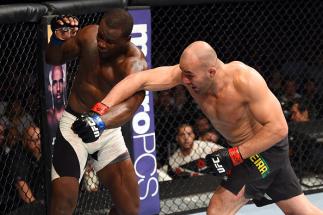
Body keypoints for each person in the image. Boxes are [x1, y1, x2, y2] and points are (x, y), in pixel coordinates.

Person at [85, 41, 323, 214]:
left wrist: (234, 155)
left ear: (211, 71)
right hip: (242, 151)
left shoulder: (245, 80)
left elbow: (279, 129)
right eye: (183, 74)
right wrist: (100, 111)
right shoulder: (190, 76)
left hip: (265, 150)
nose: (184, 81)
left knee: (218, 208)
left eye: (189, 76)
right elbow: (139, 80)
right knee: (299, 210)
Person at [46, 9, 147, 215]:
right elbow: (53, 58)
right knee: (62, 206)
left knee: (130, 209)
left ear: (126, 40)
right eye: (101, 36)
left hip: (107, 132)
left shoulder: (134, 64)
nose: (101, 43)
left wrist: (99, 122)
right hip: (74, 128)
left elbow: (131, 105)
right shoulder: (88, 36)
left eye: (109, 41)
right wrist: (56, 40)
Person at [47, 64, 67, 140]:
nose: (58, 88)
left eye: (61, 81)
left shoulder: (71, 111)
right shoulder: (47, 117)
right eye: (54, 83)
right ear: (50, 87)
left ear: (64, 84)